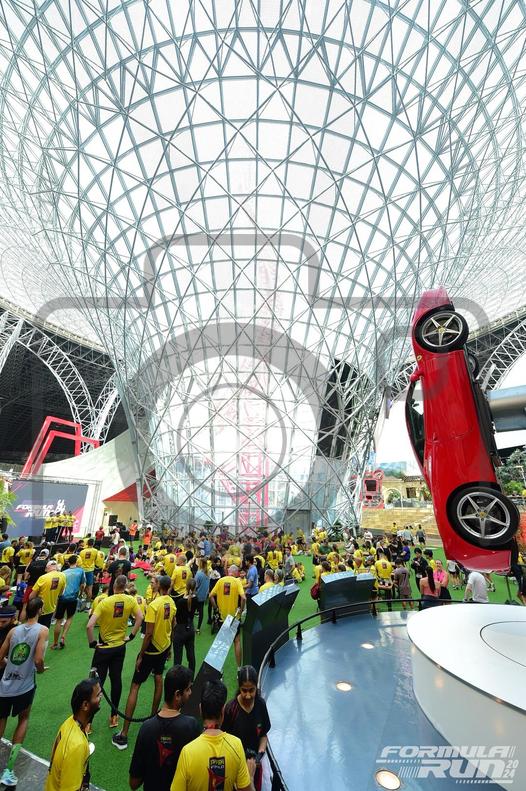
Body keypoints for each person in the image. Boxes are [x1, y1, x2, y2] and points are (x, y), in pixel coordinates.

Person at [113, 576, 176, 750]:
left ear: (159, 586)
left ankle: (124, 734)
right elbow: (173, 625)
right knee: (158, 678)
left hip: (151, 650)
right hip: (164, 647)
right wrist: (169, 647)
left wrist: (141, 655)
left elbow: (148, 634)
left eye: (155, 582)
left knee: (135, 686)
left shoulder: (154, 605)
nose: (152, 583)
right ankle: (154, 719)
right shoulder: (171, 602)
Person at [170, 679, 256, 791]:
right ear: (223, 711)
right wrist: (251, 778)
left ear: (200, 709)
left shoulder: (188, 752)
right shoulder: (236, 745)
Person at [0, 597, 48, 787]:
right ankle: (9, 770)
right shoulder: (42, 630)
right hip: (25, 685)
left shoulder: (13, 631)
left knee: (1, 719)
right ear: (40, 610)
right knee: (23, 719)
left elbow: (0, 656)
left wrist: (8, 666)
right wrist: (41, 670)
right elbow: (38, 660)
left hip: (5, 684)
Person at [129, 665, 200, 791]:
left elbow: (134, 783)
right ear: (177, 695)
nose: (190, 693)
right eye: (188, 689)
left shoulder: (146, 728)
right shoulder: (191, 726)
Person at [87, 574, 143, 729]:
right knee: (116, 679)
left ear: (113, 586)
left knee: (96, 682)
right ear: (125, 587)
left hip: (103, 648)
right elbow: (140, 617)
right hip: (119, 647)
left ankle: (88, 722)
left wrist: (93, 643)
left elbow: (89, 626)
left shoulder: (105, 602)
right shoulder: (130, 600)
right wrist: (131, 636)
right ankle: (114, 716)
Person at [45, 678, 102, 791]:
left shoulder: (70, 721)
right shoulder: (77, 746)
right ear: (85, 705)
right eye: (98, 695)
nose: (101, 697)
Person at [223, 666, 271, 791]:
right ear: (239, 687)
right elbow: (224, 740)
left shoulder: (261, 705)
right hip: (235, 768)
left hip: (255, 767)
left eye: (252, 690)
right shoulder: (230, 709)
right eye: (244, 690)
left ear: (256, 687)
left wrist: (259, 755)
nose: (248, 695)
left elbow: (263, 735)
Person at [209, 566, 246, 667]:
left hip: (222, 617)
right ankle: (239, 669)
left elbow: (210, 596)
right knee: (237, 641)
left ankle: (219, 670)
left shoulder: (220, 581)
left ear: (228, 572)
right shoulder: (237, 581)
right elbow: (243, 598)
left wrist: (216, 608)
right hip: (234, 617)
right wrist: (241, 609)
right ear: (236, 573)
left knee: (222, 644)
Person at [52, 554, 86, 649]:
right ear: (76, 562)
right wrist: (81, 594)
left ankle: (55, 642)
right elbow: (82, 585)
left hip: (62, 598)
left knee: (59, 620)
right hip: (73, 598)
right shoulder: (80, 571)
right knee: (69, 617)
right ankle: (63, 636)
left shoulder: (63, 573)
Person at [172, 577, 197, 678]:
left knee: (178, 658)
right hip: (190, 628)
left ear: (186, 587)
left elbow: (176, 617)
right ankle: (191, 679)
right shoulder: (196, 598)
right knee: (191, 655)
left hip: (180, 630)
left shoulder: (180, 602)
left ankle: (176, 679)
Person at [29, 559, 66, 628]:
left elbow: (31, 596)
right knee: (45, 628)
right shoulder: (63, 576)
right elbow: (61, 593)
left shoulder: (43, 577)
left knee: (35, 628)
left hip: (39, 608)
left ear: (47, 568)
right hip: (51, 607)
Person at [194, 558, 209, 634]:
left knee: (191, 611)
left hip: (197, 596)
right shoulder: (207, 573)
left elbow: (195, 585)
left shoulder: (199, 573)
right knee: (201, 612)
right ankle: (198, 628)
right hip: (204, 596)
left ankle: (190, 627)